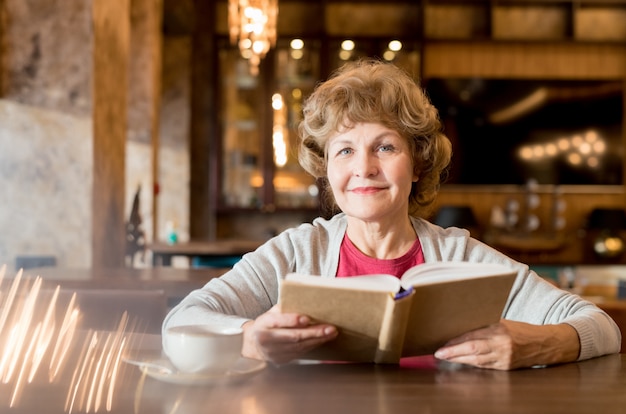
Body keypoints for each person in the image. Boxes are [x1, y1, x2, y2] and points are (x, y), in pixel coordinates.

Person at [163, 58, 621, 370]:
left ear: (417, 161)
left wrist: (535, 343)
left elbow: (603, 328)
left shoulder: (462, 256)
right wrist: (248, 336)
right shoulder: (295, 253)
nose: (363, 168)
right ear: (327, 169)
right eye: (344, 150)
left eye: (385, 146)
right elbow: (181, 323)